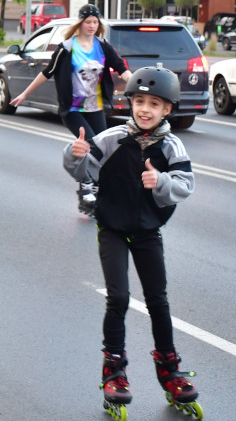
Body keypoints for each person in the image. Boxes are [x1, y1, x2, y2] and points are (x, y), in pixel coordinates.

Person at [62, 67, 200, 415]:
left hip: (148, 232)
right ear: (130, 102)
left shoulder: (172, 144)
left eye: (154, 104)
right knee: (119, 297)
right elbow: (84, 171)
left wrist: (162, 182)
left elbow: (186, 185)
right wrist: (74, 154)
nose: (145, 109)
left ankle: (170, 371)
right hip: (112, 229)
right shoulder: (111, 138)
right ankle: (114, 371)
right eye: (139, 101)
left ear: (167, 109)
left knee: (158, 300)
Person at [10, 3, 131, 214]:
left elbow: (122, 69)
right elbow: (47, 73)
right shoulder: (67, 48)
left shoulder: (103, 46)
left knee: (103, 151)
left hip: (96, 108)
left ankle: (97, 192)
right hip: (73, 110)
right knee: (91, 146)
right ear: (80, 23)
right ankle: (86, 188)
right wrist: (24, 94)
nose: (92, 26)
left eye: (95, 22)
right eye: (88, 22)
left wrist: (140, 88)